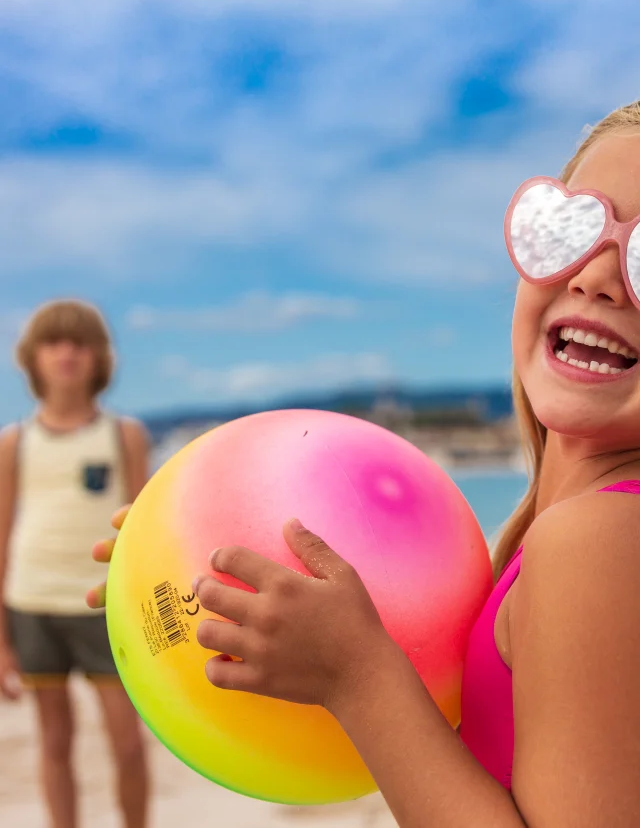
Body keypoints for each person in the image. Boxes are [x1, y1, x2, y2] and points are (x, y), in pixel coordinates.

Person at [89, 100, 640, 827]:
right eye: (570, 229)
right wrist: (179, 549)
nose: (596, 277)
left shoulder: (600, 541)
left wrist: (360, 675)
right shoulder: (569, 533)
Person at [0, 300, 150, 828]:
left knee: (128, 743)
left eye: (80, 342)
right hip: (32, 603)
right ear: (32, 358)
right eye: (53, 342)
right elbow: (1, 535)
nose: (67, 352)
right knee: (54, 742)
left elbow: (145, 532)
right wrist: (1, 640)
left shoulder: (123, 435)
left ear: (99, 357)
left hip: (104, 606)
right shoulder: (14, 442)